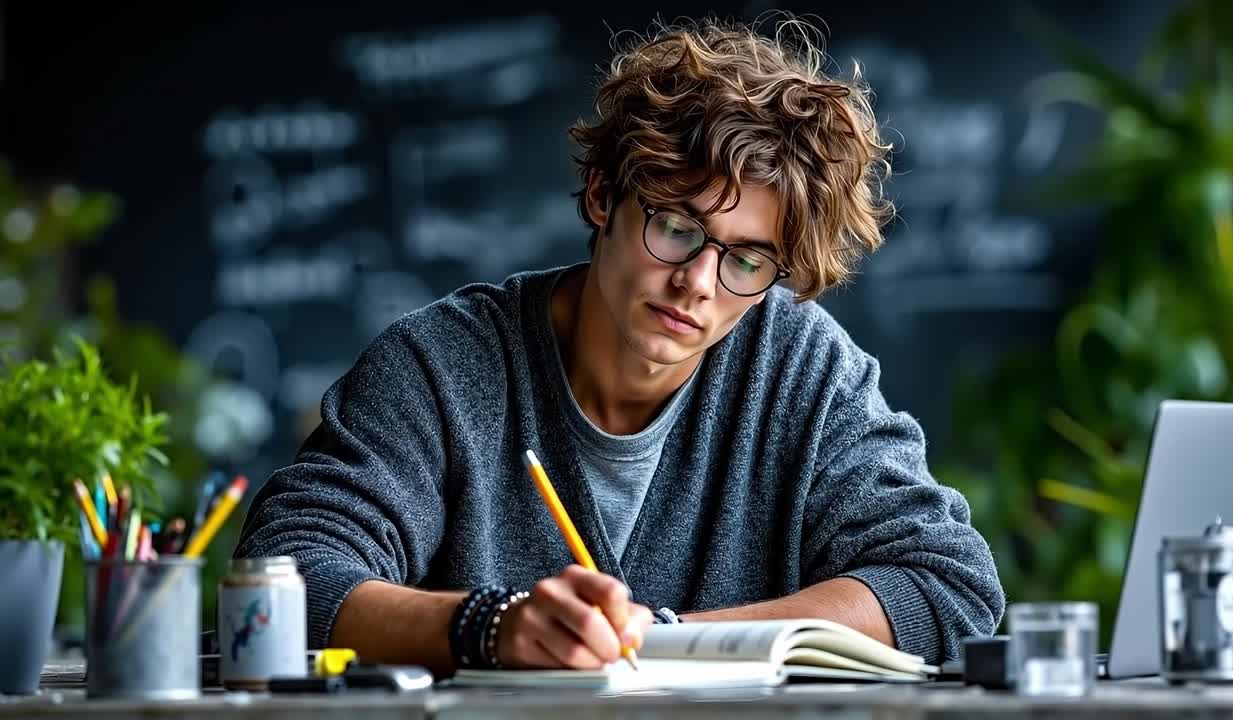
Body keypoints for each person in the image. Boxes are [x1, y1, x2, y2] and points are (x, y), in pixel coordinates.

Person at [234, 17, 1004, 674]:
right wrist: (488, 627)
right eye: (675, 227)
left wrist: (661, 642)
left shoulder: (800, 368)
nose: (699, 283)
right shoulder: (442, 365)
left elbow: (947, 582)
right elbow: (287, 575)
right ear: (603, 196)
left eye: (745, 259)